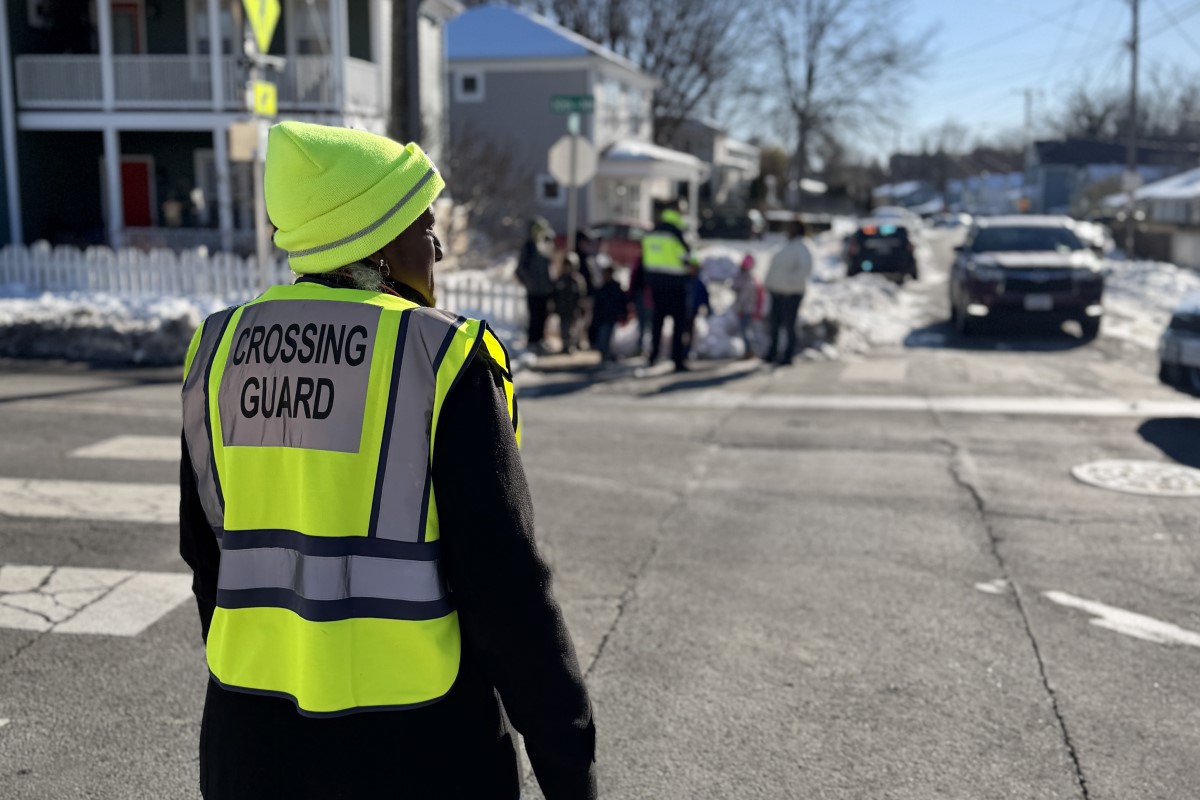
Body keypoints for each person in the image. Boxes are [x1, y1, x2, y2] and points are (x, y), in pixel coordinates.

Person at [179, 121, 596, 800]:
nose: (434, 245)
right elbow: (508, 594)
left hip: (250, 743)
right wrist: (568, 769)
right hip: (419, 750)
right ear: (371, 237)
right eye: (423, 224)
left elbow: (208, 561)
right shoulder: (440, 356)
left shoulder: (218, 348)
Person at [640, 207, 693, 372]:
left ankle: (653, 356)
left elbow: (646, 260)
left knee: (657, 323)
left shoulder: (651, 233)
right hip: (676, 285)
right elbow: (687, 257)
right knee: (678, 326)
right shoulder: (675, 234)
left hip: (656, 285)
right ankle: (677, 360)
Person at [763, 218, 814, 365]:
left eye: (791, 228)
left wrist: (787, 282)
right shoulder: (787, 245)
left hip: (791, 293)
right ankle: (773, 352)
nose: (788, 230)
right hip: (778, 291)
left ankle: (788, 355)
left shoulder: (803, 247)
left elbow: (804, 270)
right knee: (775, 324)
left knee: (789, 325)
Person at [516, 217, 555, 351]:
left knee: (543, 315)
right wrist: (530, 282)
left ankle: (540, 340)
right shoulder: (529, 247)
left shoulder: (543, 246)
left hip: (544, 290)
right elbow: (520, 269)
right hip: (534, 290)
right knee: (535, 317)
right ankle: (533, 341)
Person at [590, 266, 627, 364]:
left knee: (609, 338)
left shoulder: (616, 289)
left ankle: (608, 355)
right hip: (603, 318)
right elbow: (597, 306)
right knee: (603, 338)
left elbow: (622, 303)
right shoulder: (601, 289)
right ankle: (605, 355)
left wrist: (623, 314)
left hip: (611, 317)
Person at [552, 252, 587, 353]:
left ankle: (573, 345)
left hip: (574, 309)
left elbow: (581, 295)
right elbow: (555, 294)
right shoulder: (560, 280)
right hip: (563, 309)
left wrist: (581, 307)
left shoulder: (577, 280)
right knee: (564, 328)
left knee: (574, 329)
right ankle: (565, 345)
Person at [731, 254, 764, 358]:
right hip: (744, 308)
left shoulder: (749, 278)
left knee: (746, 330)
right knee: (745, 330)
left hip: (747, 309)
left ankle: (750, 350)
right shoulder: (746, 276)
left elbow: (750, 295)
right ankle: (750, 350)